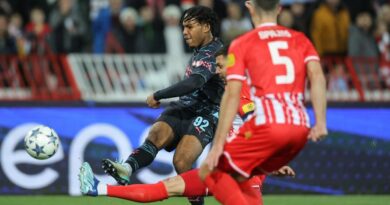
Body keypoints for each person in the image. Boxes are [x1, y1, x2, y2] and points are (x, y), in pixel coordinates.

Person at [78, 49, 296, 204]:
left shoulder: (238, 91)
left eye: (221, 66)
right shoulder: (233, 91)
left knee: (163, 188)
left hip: (240, 175)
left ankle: (99, 188)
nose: (217, 71)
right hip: (227, 173)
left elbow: (256, 129)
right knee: (164, 188)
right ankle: (98, 187)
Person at [199, 0, 328, 204]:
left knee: (209, 170)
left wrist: (218, 145)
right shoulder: (300, 39)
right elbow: (318, 77)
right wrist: (320, 122)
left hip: (268, 126)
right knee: (241, 175)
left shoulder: (242, 44)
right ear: (279, 9)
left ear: (250, 8)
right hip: (300, 128)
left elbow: (233, 95)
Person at [101, 5, 223, 205]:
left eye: (190, 27)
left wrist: (159, 94)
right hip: (185, 106)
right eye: (183, 27)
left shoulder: (215, 52)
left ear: (206, 27)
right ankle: (127, 169)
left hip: (207, 113)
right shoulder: (199, 51)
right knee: (156, 134)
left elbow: (194, 82)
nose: (184, 32)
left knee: (182, 162)